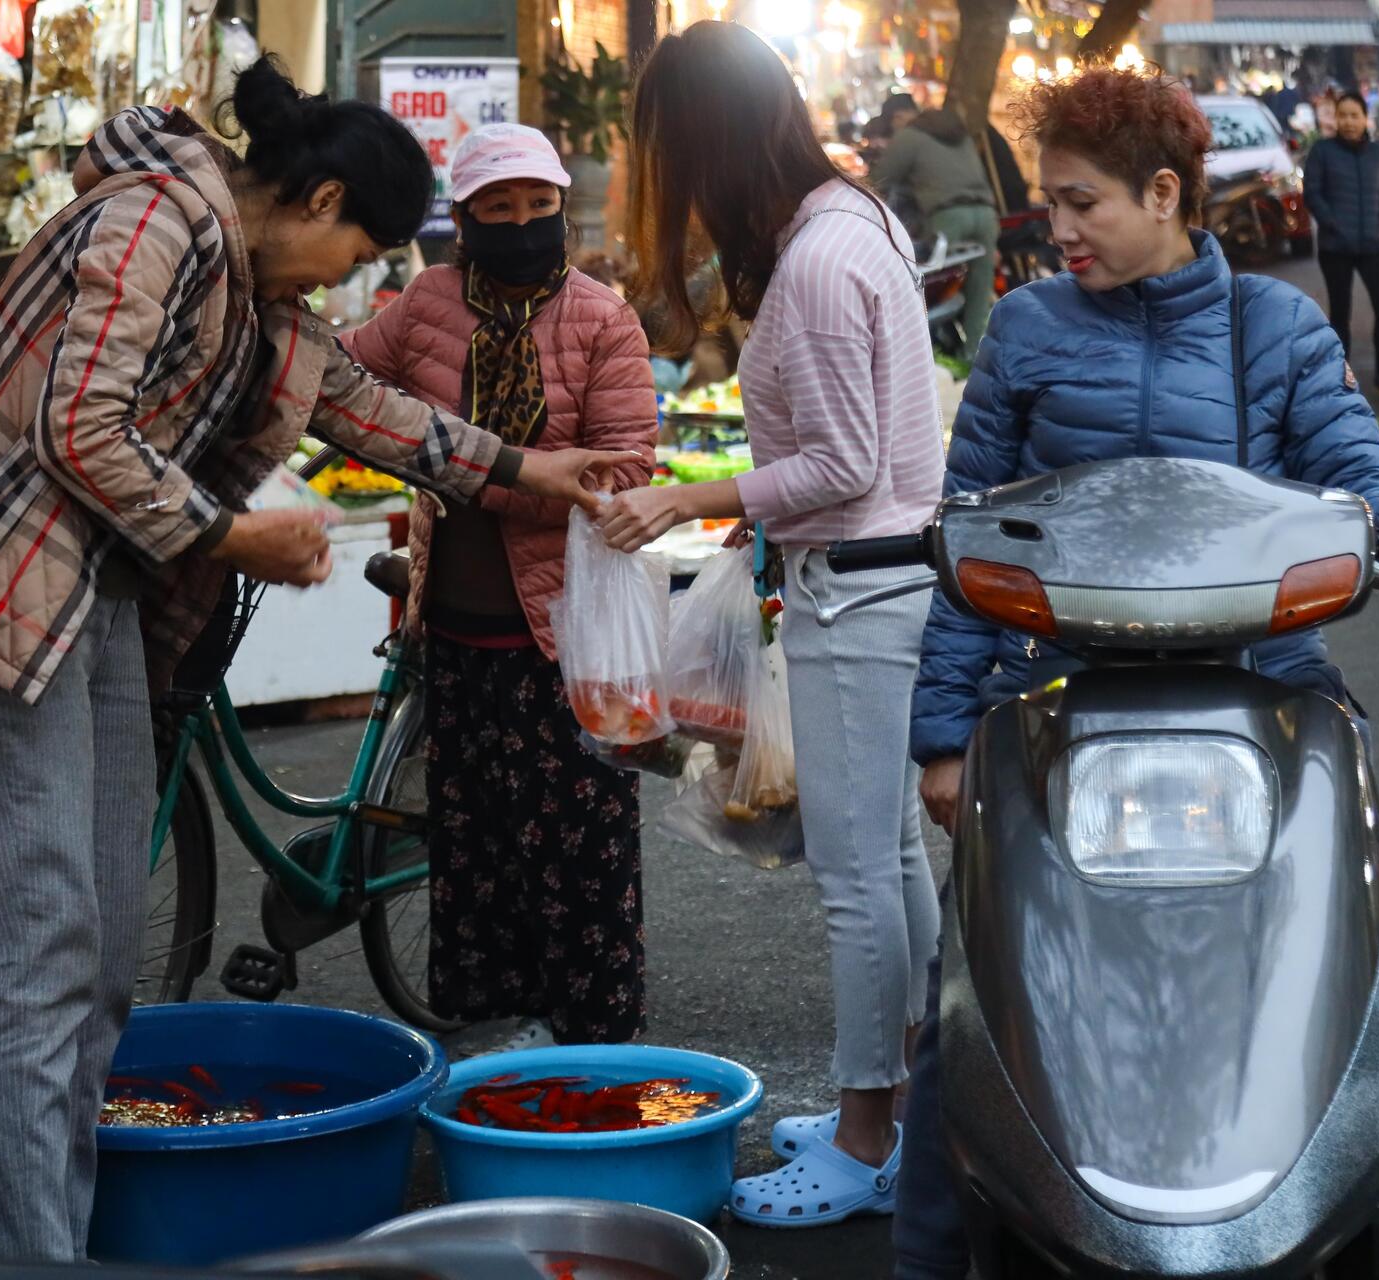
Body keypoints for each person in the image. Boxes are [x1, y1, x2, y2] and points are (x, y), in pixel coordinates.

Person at [0, 59, 635, 1262]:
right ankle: (31, 1252)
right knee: (40, 939)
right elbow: (80, 425)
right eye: (362, 251)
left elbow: (369, 406)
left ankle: (61, 1231)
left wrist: (535, 470)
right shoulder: (154, 221)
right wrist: (234, 532)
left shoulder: (259, 295)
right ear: (318, 201)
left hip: (100, 586)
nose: (358, 280)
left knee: (105, 950)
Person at [891, 67, 1379, 1280]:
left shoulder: (1277, 328)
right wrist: (944, 737)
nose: (1058, 229)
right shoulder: (1023, 328)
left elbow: (1345, 453)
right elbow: (969, 534)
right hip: (1055, 692)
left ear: (1165, 193)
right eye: (1050, 204)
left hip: (1269, 681)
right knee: (971, 985)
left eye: (1082, 203)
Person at [598, 19, 946, 1226]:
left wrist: (697, 495)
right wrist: (758, 513)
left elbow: (845, 460)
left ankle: (863, 1142)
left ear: (705, 145)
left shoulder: (816, 261)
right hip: (884, 576)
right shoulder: (857, 224)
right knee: (891, 859)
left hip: (862, 588)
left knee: (857, 877)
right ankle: (913, 1111)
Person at [338, 123, 659, 1050]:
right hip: (456, 626)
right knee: (478, 844)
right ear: (465, 221)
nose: (521, 226)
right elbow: (341, 379)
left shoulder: (603, 318)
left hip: (564, 633)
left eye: (539, 208)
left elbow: (627, 474)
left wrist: (486, 476)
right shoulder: (427, 303)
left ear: (563, 209)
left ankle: (594, 1034)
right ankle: (498, 1036)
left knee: (579, 846)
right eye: (498, 211)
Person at [1304, 92, 1379, 400]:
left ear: (1365, 119)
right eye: (1343, 115)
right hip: (1335, 246)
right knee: (1340, 312)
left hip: (1372, 245)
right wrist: (1331, 223)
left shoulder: (1378, 154)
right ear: (1335, 119)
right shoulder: (1322, 151)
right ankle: (1341, 377)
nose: (1348, 122)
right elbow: (1312, 193)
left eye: (1354, 115)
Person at [875, 108, 1001, 358]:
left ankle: (926, 360)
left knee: (925, 291)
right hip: (986, 215)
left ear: (902, 116)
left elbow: (878, 179)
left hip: (948, 217)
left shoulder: (909, 136)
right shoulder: (959, 133)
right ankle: (974, 359)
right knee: (979, 294)